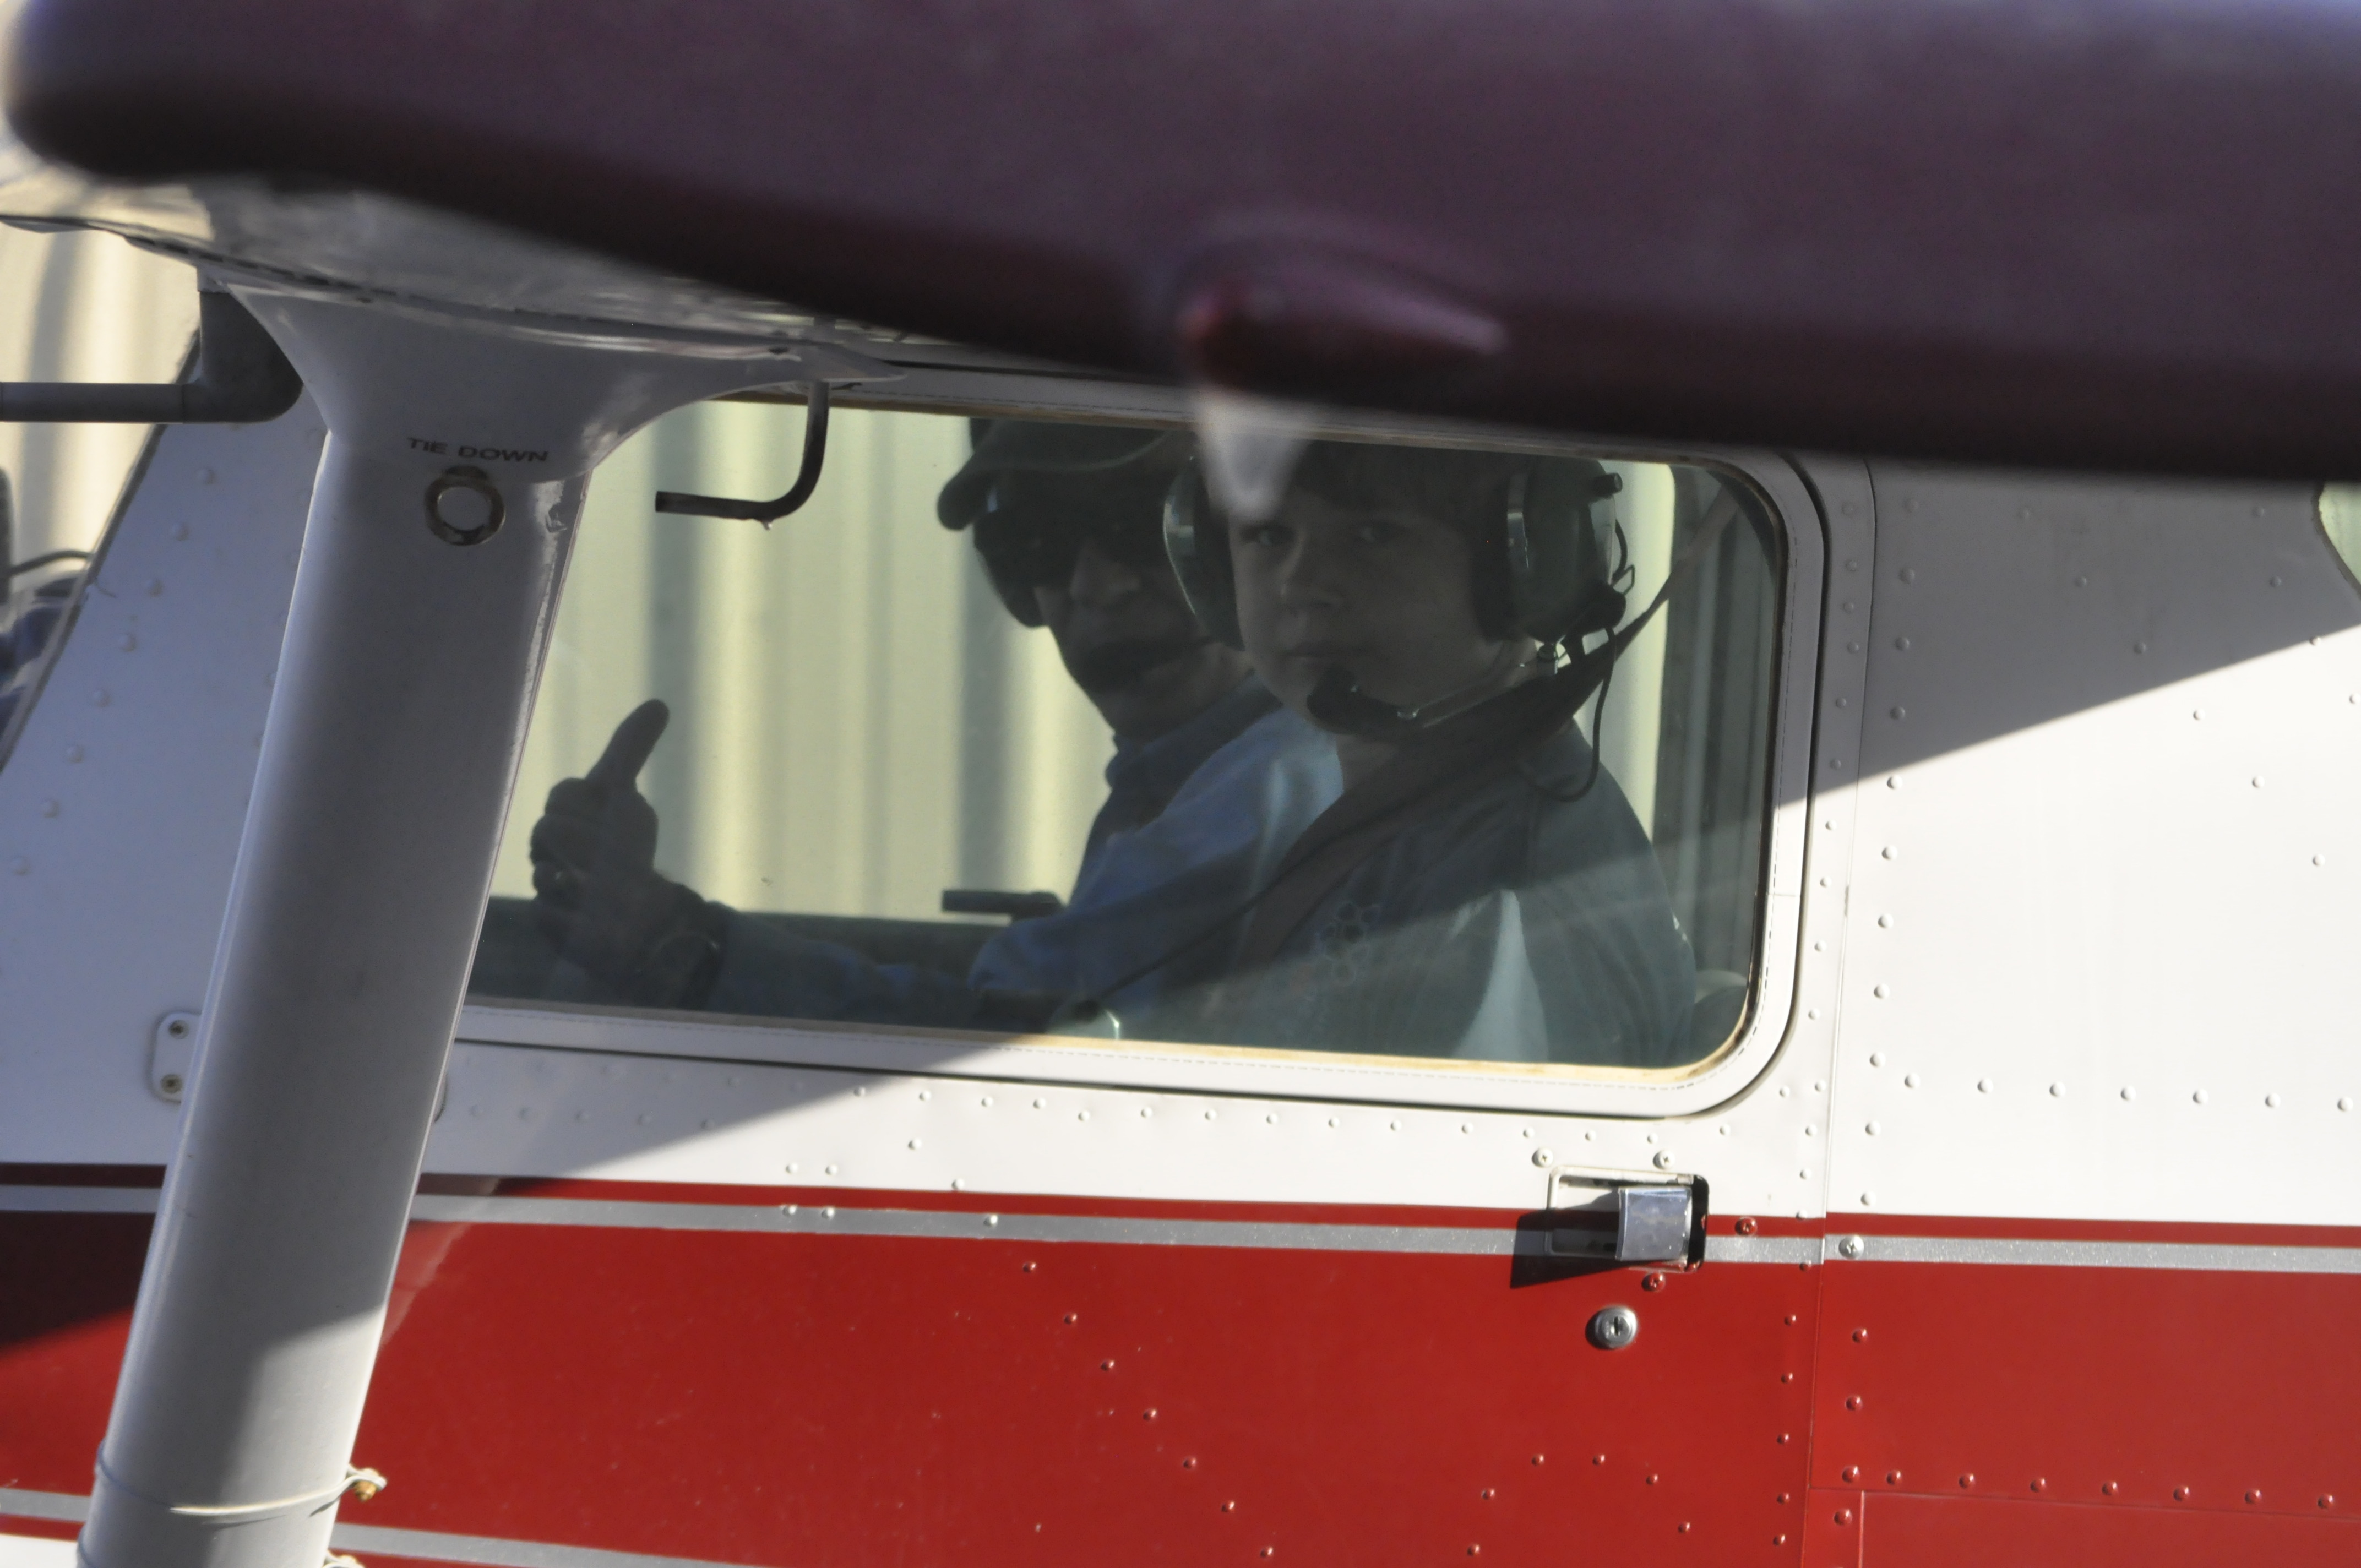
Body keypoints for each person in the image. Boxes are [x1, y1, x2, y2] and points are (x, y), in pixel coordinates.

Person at [526, 420, 1340, 1025]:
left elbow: (997, 1047)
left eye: (1138, 526)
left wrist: (669, 942)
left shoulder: (1271, 784)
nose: (1096, 586)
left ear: (1241, 547)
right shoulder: (1183, 783)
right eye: (1033, 543)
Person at [1135, 439, 1696, 1065]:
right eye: (1268, 536)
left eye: (1374, 534)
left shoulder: (1495, 888)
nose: (1301, 584)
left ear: (1520, 569)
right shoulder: (1426, 816)